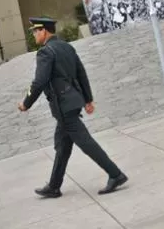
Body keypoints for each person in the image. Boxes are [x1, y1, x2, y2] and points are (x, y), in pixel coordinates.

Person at [18, 17, 128, 198]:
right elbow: (81, 73)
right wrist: (87, 99)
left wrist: (26, 103)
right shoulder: (67, 47)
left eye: (35, 31)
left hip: (64, 107)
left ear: (44, 31)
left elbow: (39, 82)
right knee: (62, 146)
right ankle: (54, 186)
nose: (34, 35)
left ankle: (115, 174)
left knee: (86, 143)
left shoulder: (45, 52)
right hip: (72, 102)